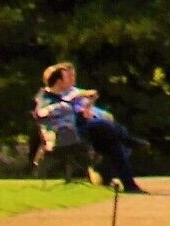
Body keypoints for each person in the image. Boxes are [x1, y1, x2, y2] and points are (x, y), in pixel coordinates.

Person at [34, 64, 143, 192]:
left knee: (113, 143)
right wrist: (67, 104)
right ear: (59, 81)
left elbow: (76, 112)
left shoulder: (63, 96)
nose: (71, 81)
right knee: (103, 125)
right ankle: (129, 141)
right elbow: (42, 113)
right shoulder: (44, 97)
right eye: (67, 78)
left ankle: (130, 185)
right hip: (61, 137)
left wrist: (82, 107)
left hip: (78, 131)